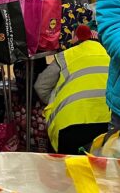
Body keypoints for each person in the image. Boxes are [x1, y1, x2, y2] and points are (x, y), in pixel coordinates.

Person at [34, 25, 110, 154]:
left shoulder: (66, 56)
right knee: (100, 171)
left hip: (70, 124)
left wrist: (57, 100)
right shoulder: (111, 55)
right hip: (109, 123)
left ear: (76, 38)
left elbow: (41, 86)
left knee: (70, 171)